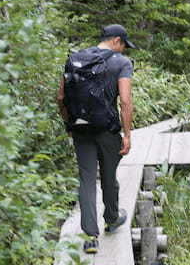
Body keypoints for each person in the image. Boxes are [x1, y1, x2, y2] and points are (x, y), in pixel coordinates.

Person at [56, 24, 135, 254]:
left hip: (80, 127)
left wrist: (69, 123)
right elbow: (126, 101)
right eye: (123, 46)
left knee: (87, 179)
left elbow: (61, 96)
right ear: (117, 41)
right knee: (109, 175)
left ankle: (90, 237)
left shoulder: (75, 58)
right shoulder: (121, 63)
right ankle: (111, 219)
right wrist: (127, 134)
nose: (123, 51)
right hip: (107, 129)